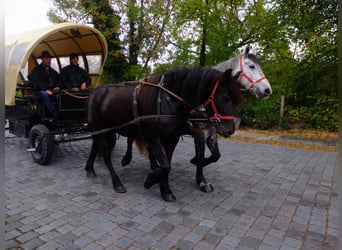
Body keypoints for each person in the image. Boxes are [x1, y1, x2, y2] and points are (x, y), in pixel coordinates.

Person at [29, 50, 61, 117]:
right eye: (46, 59)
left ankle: (62, 111)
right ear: (42, 59)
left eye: (49, 59)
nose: (48, 60)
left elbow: (58, 79)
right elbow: (37, 82)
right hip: (40, 91)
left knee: (62, 93)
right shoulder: (37, 70)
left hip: (52, 90)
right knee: (44, 94)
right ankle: (53, 111)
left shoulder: (53, 71)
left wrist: (57, 86)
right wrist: (46, 89)